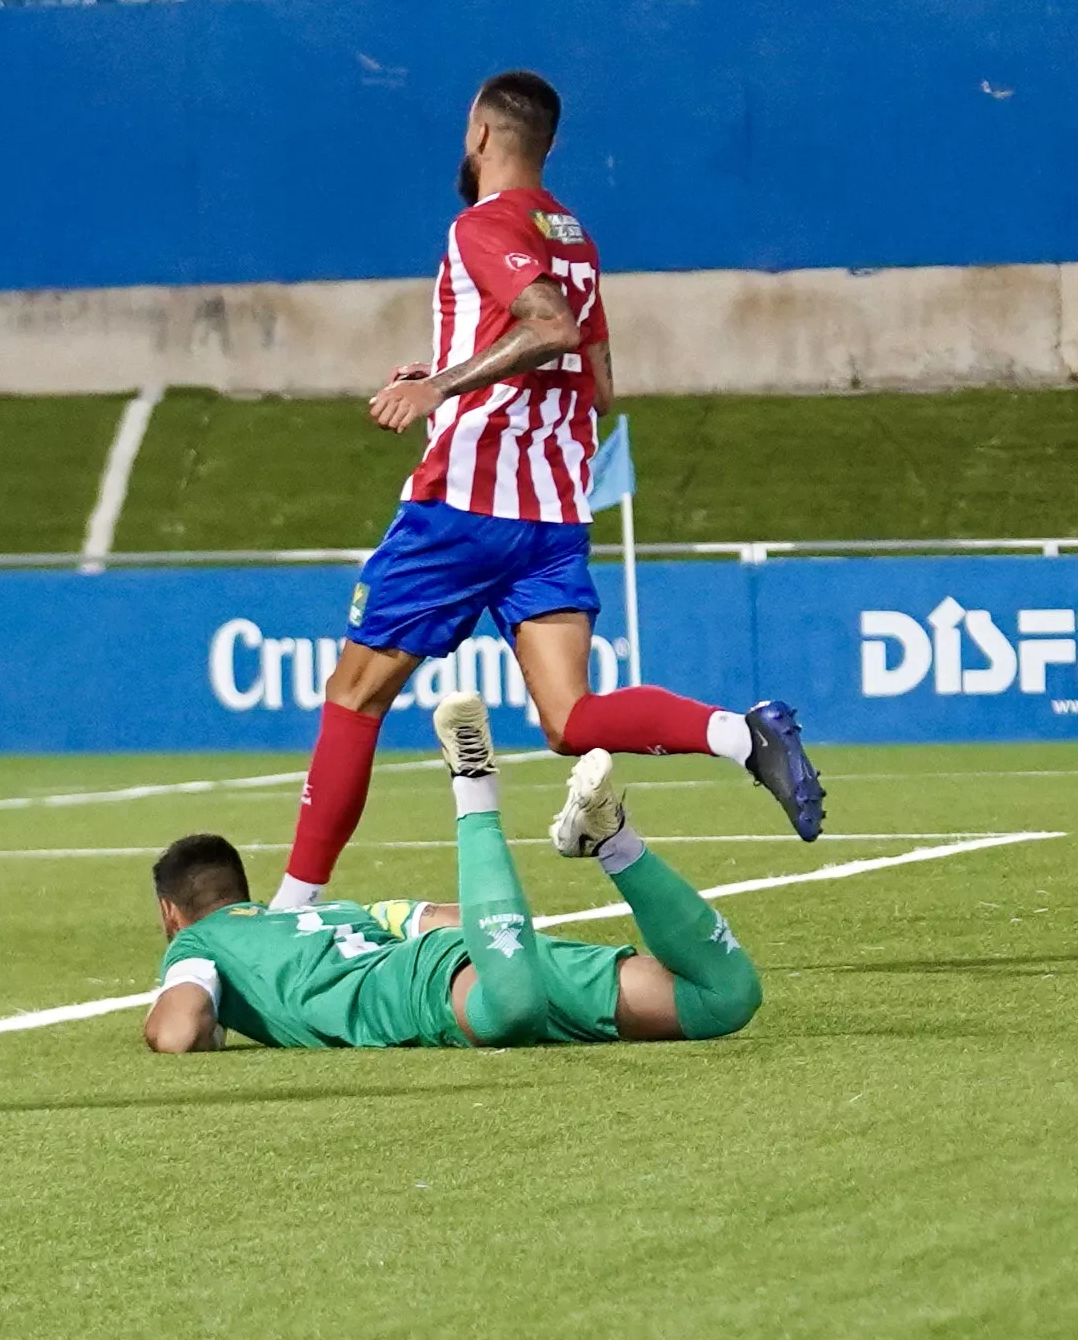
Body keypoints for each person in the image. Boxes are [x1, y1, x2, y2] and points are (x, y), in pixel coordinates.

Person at [271, 68, 825, 910]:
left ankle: (290, 913)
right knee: (569, 719)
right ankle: (739, 735)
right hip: (554, 517)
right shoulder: (574, 238)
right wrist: (462, 368)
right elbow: (595, 384)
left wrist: (443, 387)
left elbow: (549, 327)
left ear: (482, 133)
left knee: (353, 697)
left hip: (463, 508)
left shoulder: (480, 226)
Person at [144, 694, 764, 1055]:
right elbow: (451, 920)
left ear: (171, 915)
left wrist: (212, 1027)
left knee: (512, 1011)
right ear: (241, 892)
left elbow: (177, 1031)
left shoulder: (199, 944)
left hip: (451, 991)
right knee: (725, 999)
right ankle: (614, 840)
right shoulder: (341, 912)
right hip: (492, 958)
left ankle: (473, 784)